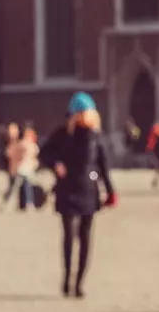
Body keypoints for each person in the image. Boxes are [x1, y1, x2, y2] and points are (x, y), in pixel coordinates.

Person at [39, 93, 116, 298]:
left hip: (88, 192)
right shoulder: (63, 134)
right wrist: (56, 164)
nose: (83, 117)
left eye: (86, 113)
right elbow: (44, 153)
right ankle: (67, 278)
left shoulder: (96, 137)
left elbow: (102, 167)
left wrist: (109, 191)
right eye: (79, 113)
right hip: (67, 190)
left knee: (85, 237)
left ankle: (79, 282)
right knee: (68, 235)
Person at [5, 126, 41, 211]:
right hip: (22, 168)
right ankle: (12, 203)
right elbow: (11, 154)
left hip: (28, 169)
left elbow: (35, 157)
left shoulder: (31, 145)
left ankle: (27, 203)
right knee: (18, 186)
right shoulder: (22, 144)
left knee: (26, 186)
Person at [0, 123, 22, 209]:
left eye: (14, 130)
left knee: (20, 186)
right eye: (11, 130)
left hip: (20, 167)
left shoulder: (19, 141)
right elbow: (5, 155)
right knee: (12, 186)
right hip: (11, 168)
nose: (13, 132)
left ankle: (20, 204)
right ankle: (6, 203)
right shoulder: (6, 142)